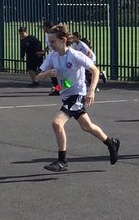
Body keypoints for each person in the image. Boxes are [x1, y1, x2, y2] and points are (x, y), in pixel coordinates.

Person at [34, 27, 120, 172]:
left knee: (56, 123)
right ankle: (112, 143)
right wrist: (48, 72)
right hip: (66, 96)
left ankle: (62, 161)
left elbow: (95, 70)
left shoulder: (75, 55)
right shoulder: (53, 56)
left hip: (77, 95)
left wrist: (91, 90)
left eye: (53, 41)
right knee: (87, 126)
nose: (50, 44)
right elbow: (37, 77)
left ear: (63, 40)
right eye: (49, 41)